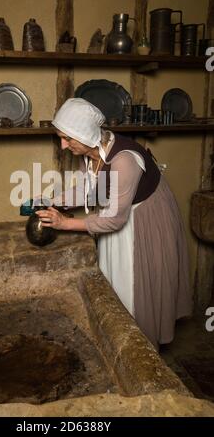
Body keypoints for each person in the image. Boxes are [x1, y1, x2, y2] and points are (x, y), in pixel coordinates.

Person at [36, 98, 192, 349]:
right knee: (114, 280)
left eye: (68, 138)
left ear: (85, 135)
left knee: (138, 285)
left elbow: (115, 219)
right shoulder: (90, 152)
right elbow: (90, 189)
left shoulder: (124, 161)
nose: (63, 146)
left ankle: (142, 347)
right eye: (61, 137)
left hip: (145, 217)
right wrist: (50, 200)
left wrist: (65, 223)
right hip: (117, 214)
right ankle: (118, 340)